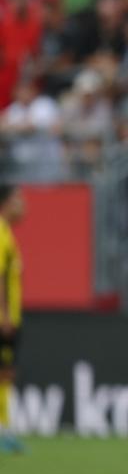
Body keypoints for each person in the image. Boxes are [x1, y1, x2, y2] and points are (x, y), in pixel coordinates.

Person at [0, 185, 24, 453]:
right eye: (18, 200)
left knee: (5, 375)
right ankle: (3, 431)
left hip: (10, 316)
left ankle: (4, 428)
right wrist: (4, 315)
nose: (23, 206)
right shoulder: (0, 233)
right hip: (4, 318)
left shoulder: (7, 233)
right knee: (3, 373)